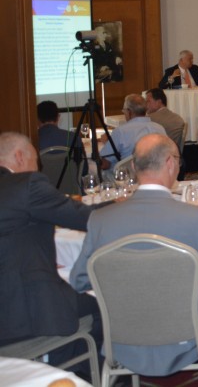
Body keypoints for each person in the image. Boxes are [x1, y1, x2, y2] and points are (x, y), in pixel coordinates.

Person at [70, 134, 198, 377]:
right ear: (171, 163)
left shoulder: (100, 220)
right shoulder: (197, 219)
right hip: (192, 339)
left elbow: (79, 280)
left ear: (133, 166)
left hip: (122, 342)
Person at [0, 132, 99, 377]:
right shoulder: (25, 185)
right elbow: (83, 218)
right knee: (103, 305)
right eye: (36, 161)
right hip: (21, 316)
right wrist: (123, 207)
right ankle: (84, 375)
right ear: (20, 157)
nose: (38, 169)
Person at [99, 93, 166, 165]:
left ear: (129, 112)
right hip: (156, 170)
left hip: (129, 171)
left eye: (124, 110)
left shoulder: (121, 131)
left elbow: (105, 163)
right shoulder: (160, 128)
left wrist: (107, 143)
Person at [145, 88, 186, 153]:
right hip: (174, 154)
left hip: (158, 155)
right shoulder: (178, 118)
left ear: (159, 102)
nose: (145, 104)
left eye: (148, 101)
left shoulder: (149, 119)